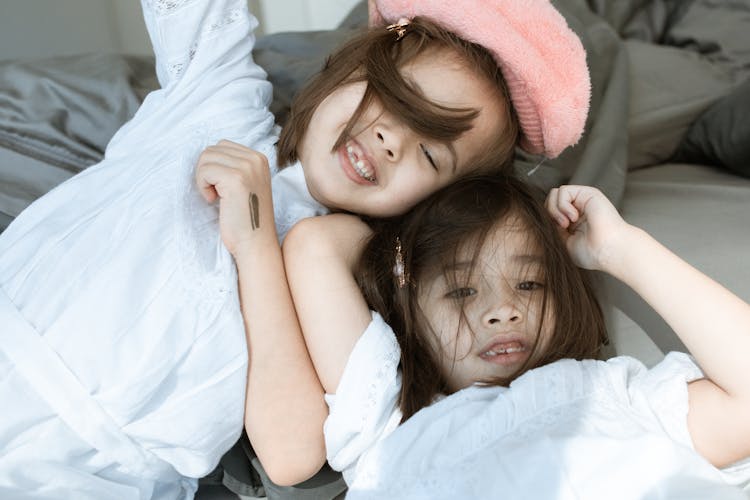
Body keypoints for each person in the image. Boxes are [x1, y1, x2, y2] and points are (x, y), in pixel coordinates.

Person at [0, 0, 589, 497]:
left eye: (431, 154)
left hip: (84, 473)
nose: (390, 140)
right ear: (347, 68)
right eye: (394, 97)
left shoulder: (341, 272)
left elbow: (293, 452)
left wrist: (256, 243)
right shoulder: (216, 106)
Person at [282, 174, 750, 498]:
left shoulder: (614, 393)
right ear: (408, 312)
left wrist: (618, 248)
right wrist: (406, 252)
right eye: (461, 291)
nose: (503, 311)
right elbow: (315, 246)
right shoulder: (388, 423)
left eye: (529, 284)